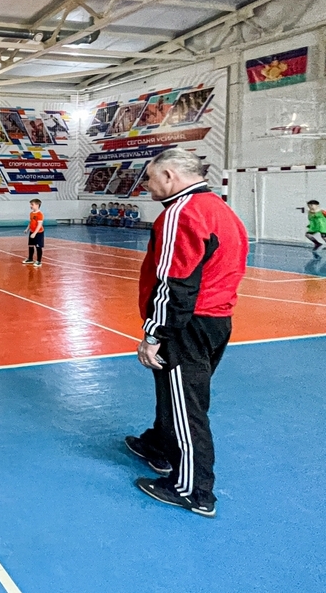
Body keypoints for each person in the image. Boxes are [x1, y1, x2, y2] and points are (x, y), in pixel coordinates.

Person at [128, 149, 248, 518]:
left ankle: (193, 490)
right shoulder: (221, 209)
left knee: (188, 407)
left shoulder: (182, 213)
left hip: (187, 325)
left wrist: (154, 335)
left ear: (169, 175)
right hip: (215, 321)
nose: (146, 186)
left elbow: (175, 283)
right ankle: (160, 446)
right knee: (176, 394)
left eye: (150, 178)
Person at [22, 199, 44, 267]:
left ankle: (39, 261)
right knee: (30, 245)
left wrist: (34, 233)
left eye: (32, 204)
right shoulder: (31, 213)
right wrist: (27, 229)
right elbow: (31, 222)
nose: (30, 206)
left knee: (38, 247)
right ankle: (30, 259)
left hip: (38, 233)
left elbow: (39, 225)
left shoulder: (39, 214)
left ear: (37, 205)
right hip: (32, 232)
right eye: (30, 204)